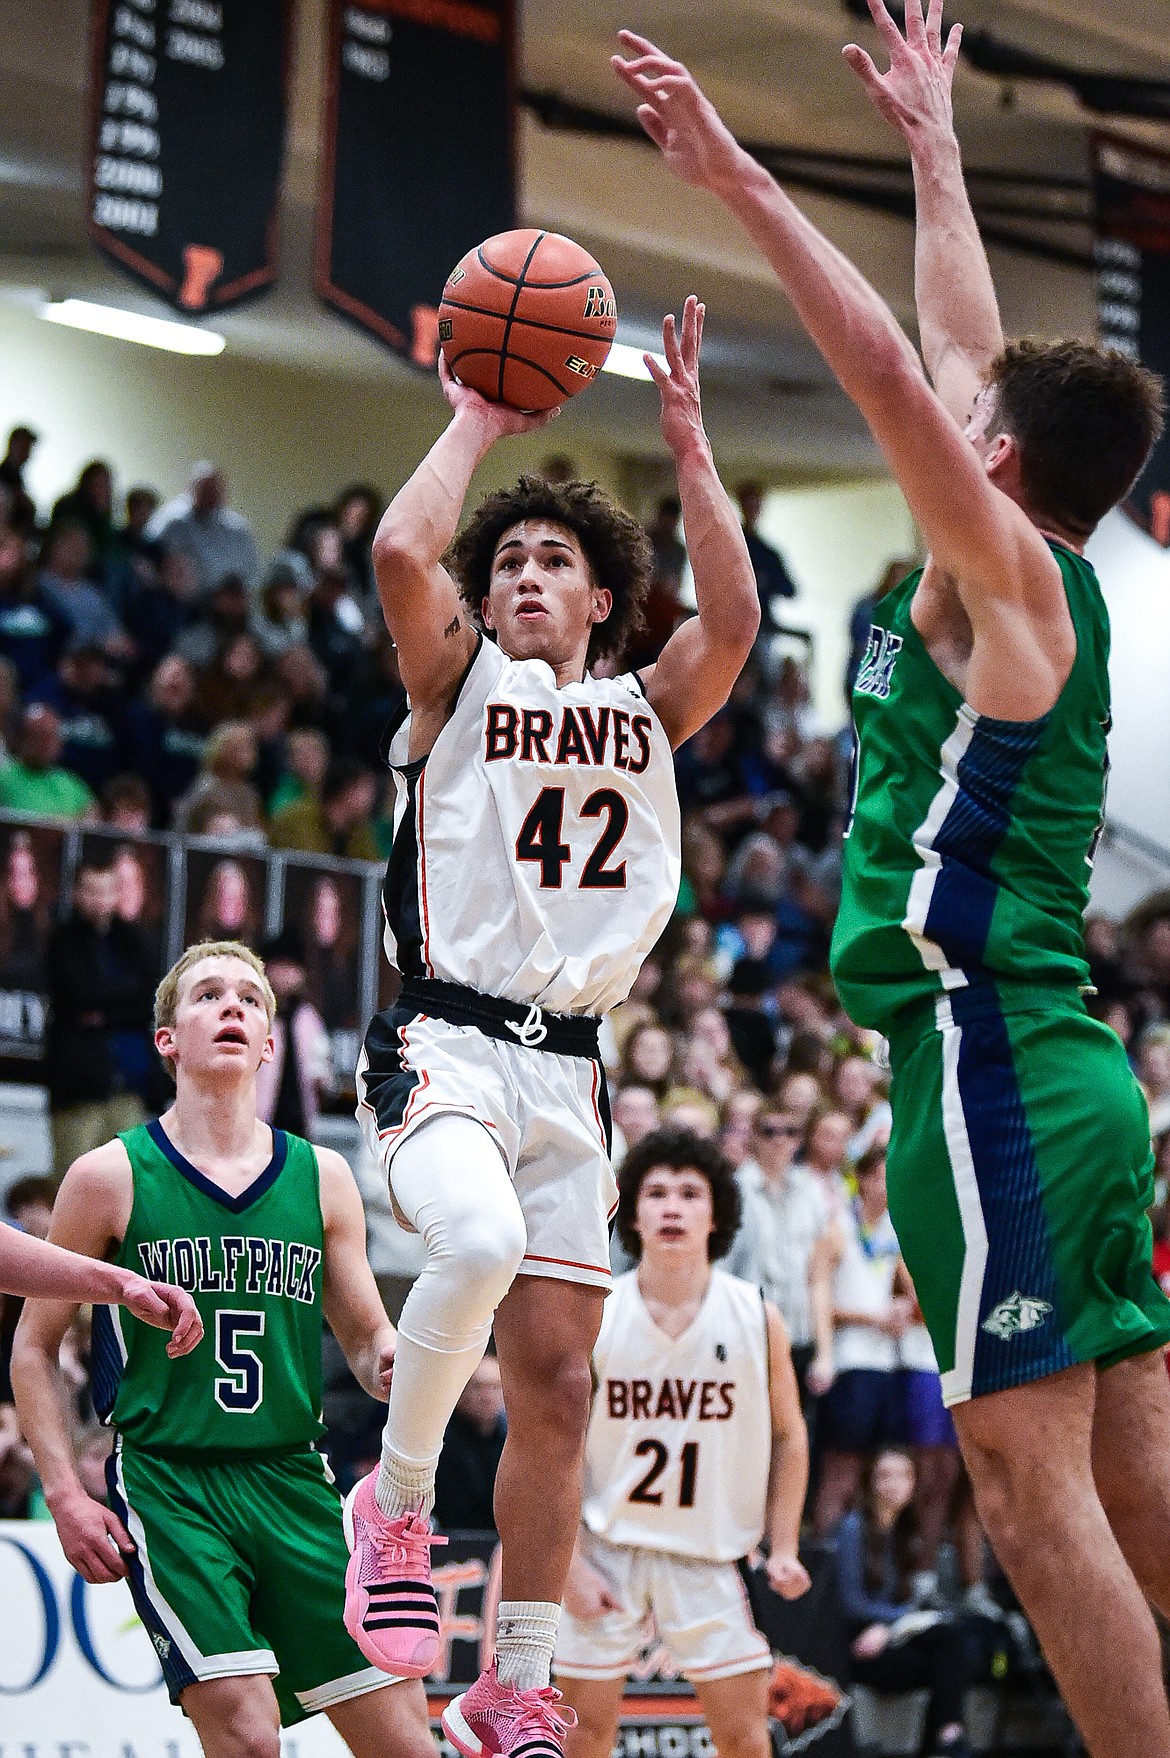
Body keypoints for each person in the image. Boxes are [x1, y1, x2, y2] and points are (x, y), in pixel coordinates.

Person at [613, 10, 1170, 1756]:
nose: (955, 394)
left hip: (991, 1056)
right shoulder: (1020, 553)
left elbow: (880, 364)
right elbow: (951, 336)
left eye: (974, 412)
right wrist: (934, 144)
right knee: (1139, 1470)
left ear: (996, 458)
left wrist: (741, 177)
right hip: (1054, 1060)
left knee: (1020, 1481)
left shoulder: (1003, 569)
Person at [348, 293, 759, 1758]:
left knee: (560, 1384)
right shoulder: (454, 682)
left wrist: (691, 440)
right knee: (469, 1243)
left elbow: (737, 616)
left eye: (554, 560)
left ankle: (511, 1677)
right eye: (508, 556)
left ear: (601, 601)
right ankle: (393, 1500)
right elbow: (404, 551)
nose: (525, 570)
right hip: (446, 1041)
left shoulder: (649, 709)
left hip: (569, 1072)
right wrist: (478, 416)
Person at [11, 940, 434, 1758]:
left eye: (250, 998)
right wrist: (63, 1491)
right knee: (247, 1735)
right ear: (167, 1038)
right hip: (173, 1483)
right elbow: (35, 1347)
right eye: (208, 996)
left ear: (271, 1044)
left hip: (293, 1477)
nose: (233, 1006)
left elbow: (362, 1335)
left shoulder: (322, 1177)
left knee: (406, 1747)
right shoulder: (107, 1176)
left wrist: (393, 1361)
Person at [554, 1128, 809, 1758]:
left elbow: (790, 1433)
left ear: (716, 1212)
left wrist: (784, 1544)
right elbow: (550, 1447)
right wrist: (568, 1562)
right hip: (607, 1549)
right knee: (582, 1739)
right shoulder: (597, 1312)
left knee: (746, 1740)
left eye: (691, 1194)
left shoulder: (756, 1314)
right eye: (657, 1192)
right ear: (630, 1212)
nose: (673, 1207)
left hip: (706, 1556)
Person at [836, 1449, 981, 1758]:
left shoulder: (908, 1530)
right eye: (885, 1476)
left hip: (890, 1635)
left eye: (903, 1476)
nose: (894, 1484)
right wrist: (900, 1620)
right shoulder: (853, 1528)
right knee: (949, 1654)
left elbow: (912, 1601)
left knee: (954, 1648)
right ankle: (947, 1741)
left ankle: (947, 1739)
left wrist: (894, 1625)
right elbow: (851, 1604)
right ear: (870, 1482)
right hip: (861, 1641)